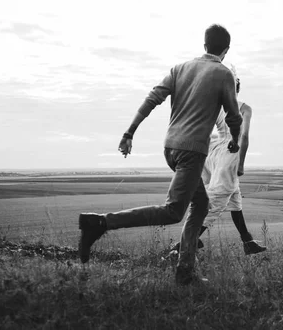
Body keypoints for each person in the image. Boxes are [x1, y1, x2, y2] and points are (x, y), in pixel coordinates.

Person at [78, 24, 242, 286]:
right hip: (192, 151)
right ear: (226, 50)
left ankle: (185, 271)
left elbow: (153, 98)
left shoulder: (180, 69)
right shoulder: (223, 74)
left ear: (204, 46)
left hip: (171, 148)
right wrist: (234, 139)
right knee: (173, 212)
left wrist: (129, 132)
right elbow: (234, 116)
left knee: (200, 205)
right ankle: (99, 223)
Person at [174, 70, 266, 255]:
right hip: (230, 155)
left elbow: (201, 129)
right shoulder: (244, 108)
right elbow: (244, 136)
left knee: (234, 199)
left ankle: (247, 241)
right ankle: (184, 244)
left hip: (212, 154)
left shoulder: (215, 107)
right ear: (237, 89)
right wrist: (240, 164)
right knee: (217, 199)